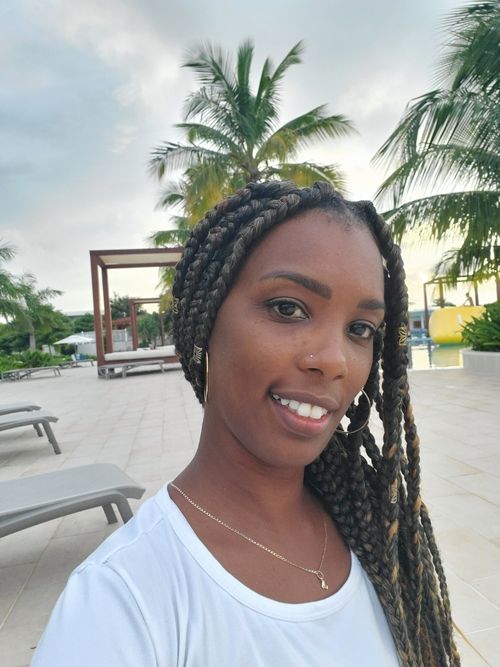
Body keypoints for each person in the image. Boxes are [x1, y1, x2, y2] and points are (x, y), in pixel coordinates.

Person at [32, 181, 459, 666]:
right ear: (206, 324)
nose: (335, 361)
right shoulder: (118, 603)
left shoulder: (379, 535)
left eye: (360, 329)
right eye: (288, 308)